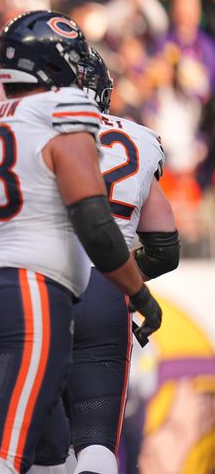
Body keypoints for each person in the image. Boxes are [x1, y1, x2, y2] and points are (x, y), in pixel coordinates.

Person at [0, 11, 162, 474]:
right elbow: (94, 222)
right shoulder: (65, 111)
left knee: (48, 454)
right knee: (5, 451)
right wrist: (138, 291)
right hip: (34, 290)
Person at [63, 48, 179, 474]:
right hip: (105, 292)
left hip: (35, 287)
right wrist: (125, 276)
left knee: (33, 446)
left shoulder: (22, 131)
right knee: (95, 443)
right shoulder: (139, 139)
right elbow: (165, 248)